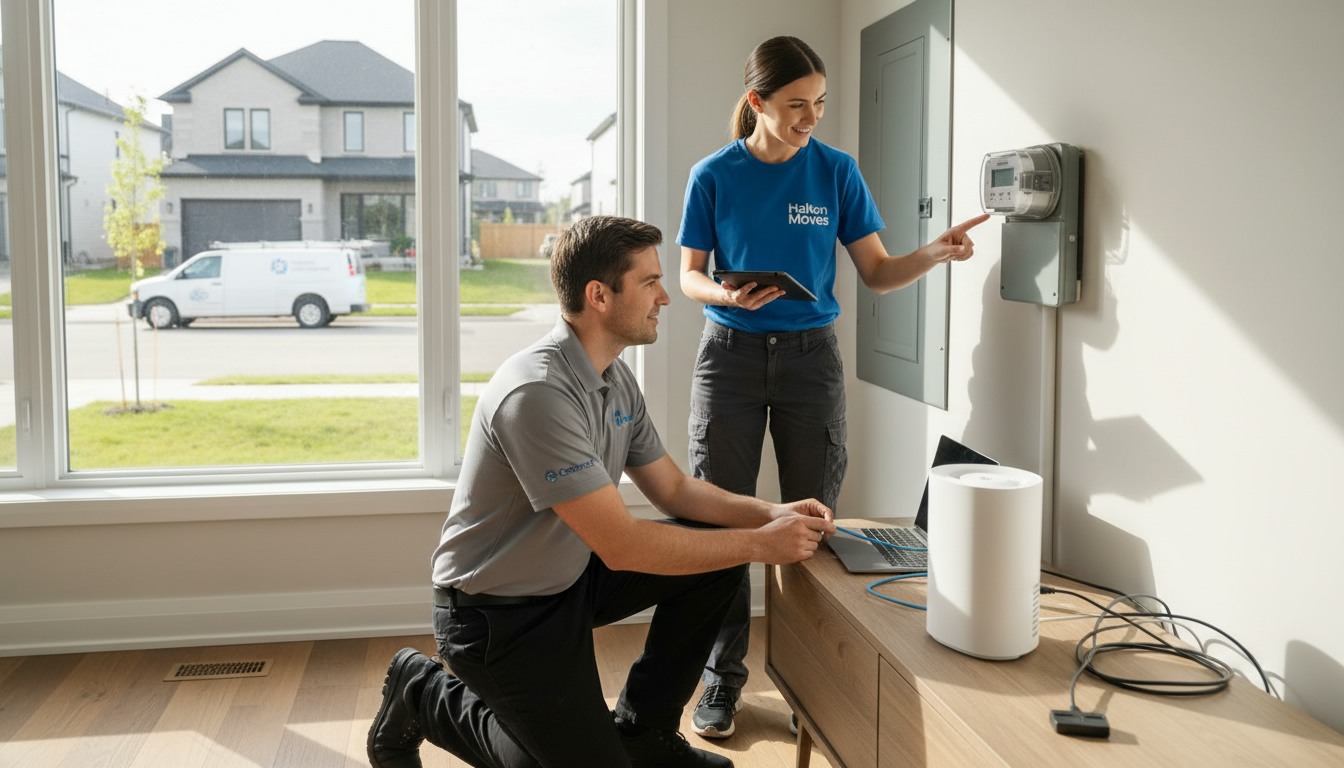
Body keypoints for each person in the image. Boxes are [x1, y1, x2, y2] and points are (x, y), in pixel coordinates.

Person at [367, 215, 837, 768]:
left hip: (569, 577)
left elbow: (675, 490)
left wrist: (768, 514)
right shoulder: (537, 392)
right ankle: (422, 692)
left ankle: (643, 731)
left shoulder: (614, 376)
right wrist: (763, 546)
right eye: (649, 282)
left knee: (718, 559)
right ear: (599, 295)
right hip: (494, 614)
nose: (665, 296)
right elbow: (623, 546)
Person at [677, 35, 988, 738]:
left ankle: (808, 676)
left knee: (811, 526)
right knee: (721, 522)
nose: (810, 117)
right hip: (728, 355)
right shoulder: (714, 175)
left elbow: (876, 272)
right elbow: (689, 275)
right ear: (757, 102)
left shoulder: (836, 173)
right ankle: (720, 680)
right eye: (795, 106)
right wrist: (725, 298)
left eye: (818, 104)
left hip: (811, 362)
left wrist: (935, 252)